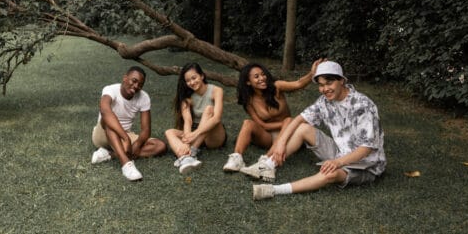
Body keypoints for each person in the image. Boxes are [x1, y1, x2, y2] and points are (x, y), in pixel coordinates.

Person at [250, 61, 386, 200]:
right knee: (303, 128)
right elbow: (298, 120)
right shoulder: (324, 101)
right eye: (321, 85)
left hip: (366, 164)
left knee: (331, 174)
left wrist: (337, 163)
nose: (325, 89)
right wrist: (280, 143)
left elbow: (366, 148)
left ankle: (274, 190)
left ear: (342, 81)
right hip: (340, 152)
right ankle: (268, 165)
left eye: (329, 83)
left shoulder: (362, 105)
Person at [224, 59, 325, 175]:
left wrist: (312, 73)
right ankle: (237, 158)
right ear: (248, 82)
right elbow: (262, 125)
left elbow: (298, 84)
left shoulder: (277, 87)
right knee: (248, 123)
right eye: (256, 76)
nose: (262, 78)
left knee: (288, 120)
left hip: (289, 136)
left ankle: (266, 160)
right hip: (269, 136)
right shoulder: (249, 101)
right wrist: (285, 123)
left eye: (263, 74)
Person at [90, 66, 167, 181]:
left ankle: (110, 155)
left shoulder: (144, 97)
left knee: (160, 146)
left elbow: (146, 130)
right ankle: (126, 165)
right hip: (103, 134)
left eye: (140, 84)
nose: (136, 86)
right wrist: (126, 139)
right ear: (125, 78)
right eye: (134, 81)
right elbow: (105, 111)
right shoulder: (110, 90)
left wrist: (137, 144)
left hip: (125, 135)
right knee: (109, 119)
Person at [165, 63, 226, 174]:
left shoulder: (216, 91)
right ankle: (186, 158)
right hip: (196, 135)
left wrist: (195, 134)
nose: (192, 82)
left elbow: (217, 118)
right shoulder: (187, 97)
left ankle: (191, 153)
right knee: (169, 132)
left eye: (194, 78)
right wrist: (187, 140)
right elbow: (188, 121)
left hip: (213, 134)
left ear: (202, 76)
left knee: (209, 110)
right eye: (188, 80)